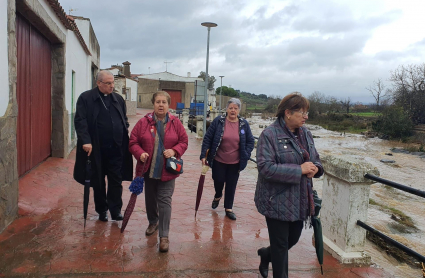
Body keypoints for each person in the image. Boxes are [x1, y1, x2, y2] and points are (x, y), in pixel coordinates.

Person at [254, 92, 324, 278]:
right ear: (288, 113)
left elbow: (316, 159)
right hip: (275, 199)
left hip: (300, 199)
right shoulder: (269, 135)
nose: (306, 116)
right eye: (302, 112)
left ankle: (266, 254)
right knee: (281, 246)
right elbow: (265, 168)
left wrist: (316, 168)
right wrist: (298, 170)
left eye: (306, 112)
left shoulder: (306, 134)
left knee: (291, 239)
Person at [129, 91, 188, 252]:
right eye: (158, 102)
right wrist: (139, 153)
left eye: (164, 102)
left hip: (168, 171)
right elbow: (133, 141)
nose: (161, 105)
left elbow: (184, 141)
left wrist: (175, 150)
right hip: (148, 169)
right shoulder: (143, 123)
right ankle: (153, 221)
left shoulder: (176, 123)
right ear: (153, 104)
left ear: (169, 105)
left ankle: (164, 236)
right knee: (150, 199)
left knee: (164, 201)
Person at [74, 70, 133, 222]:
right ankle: (102, 210)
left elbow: (123, 118)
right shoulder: (86, 98)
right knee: (98, 181)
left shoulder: (118, 99)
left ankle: (115, 210)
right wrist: (85, 140)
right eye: (108, 83)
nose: (112, 86)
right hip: (96, 149)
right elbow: (80, 121)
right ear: (98, 83)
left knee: (116, 180)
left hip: (116, 148)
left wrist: (124, 127)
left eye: (113, 83)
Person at [200, 98, 255, 220]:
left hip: (235, 161)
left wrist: (246, 153)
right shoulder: (218, 121)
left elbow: (251, 141)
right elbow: (208, 138)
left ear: (239, 110)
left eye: (235, 108)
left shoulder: (244, 124)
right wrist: (203, 155)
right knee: (218, 179)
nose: (233, 110)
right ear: (227, 109)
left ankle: (228, 208)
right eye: (231, 108)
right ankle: (218, 194)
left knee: (231, 184)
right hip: (218, 159)